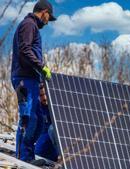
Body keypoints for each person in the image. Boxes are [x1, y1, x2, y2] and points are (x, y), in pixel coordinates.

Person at [11, 0, 56, 162]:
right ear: (44, 12)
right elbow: (25, 49)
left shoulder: (32, 27)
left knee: (37, 119)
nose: (47, 21)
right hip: (24, 79)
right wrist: (41, 66)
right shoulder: (29, 24)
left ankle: (27, 155)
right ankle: (23, 157)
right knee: (28, 117)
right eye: (48, 17)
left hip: (31, 78)